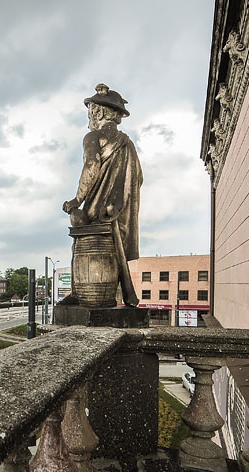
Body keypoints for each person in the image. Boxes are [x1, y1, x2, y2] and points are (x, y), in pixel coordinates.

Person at [63, 83, 143, 306]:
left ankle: (78, 292)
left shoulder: (93, 138)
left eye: (91, 109)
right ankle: (117, 294)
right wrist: (118, 202)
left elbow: (91, 166)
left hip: (96, 209)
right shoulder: (128, 144)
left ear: (98, 111)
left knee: (79, 237)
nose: (89, 114)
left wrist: (77, 199)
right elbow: (138, 179)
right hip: (117, 210)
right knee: (114, 252)